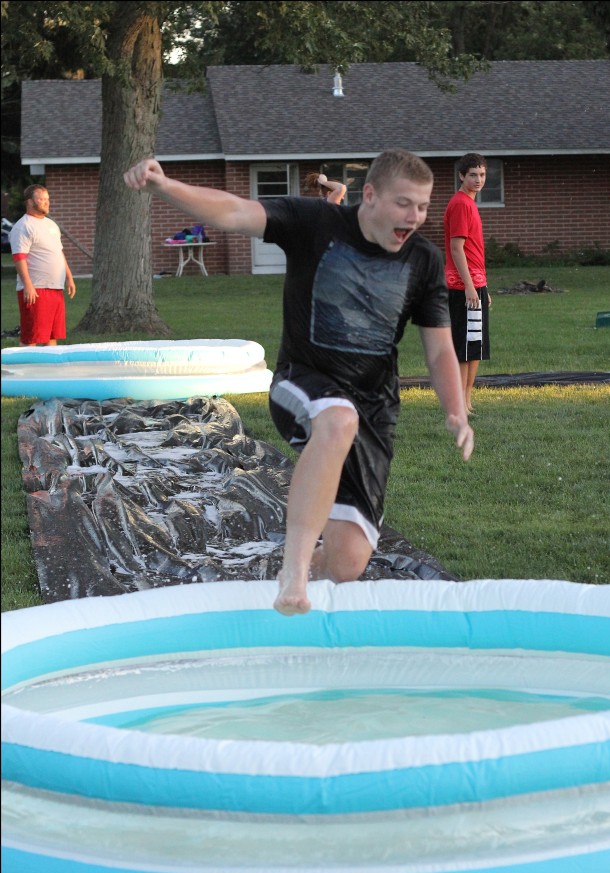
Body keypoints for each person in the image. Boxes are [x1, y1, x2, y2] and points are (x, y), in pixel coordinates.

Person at [124, 149, 474, 616]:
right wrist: (166, 186)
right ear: (370, 194)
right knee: (337, 419)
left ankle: (302, 575)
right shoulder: (315, 223)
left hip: (374, 409)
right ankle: (295, 568)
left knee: (348, 563)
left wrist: (455, 410)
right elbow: (234, 211)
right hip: (303, 381)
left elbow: (440, 349)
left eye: (424, 207)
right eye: (404, 204)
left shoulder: (422, 261)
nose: (414, 217)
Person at [443, 153, 491, 414]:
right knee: (464, 348)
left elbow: (475, 251)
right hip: (463, 287)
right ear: (461, 176)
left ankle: (467, 401)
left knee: (475, 346)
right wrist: (470, 287)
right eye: (473, 175)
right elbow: (456, 248)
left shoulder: (470, 203)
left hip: (475, 285)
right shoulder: (461, 204)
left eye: (482, 175)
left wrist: (484, 286)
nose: (478, 180)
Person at [9, 184, 76, 346]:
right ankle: (25, 363)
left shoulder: (51, 225)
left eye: (47, 199)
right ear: (30, 202)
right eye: (41, 199)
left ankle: (50, 364)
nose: (46, 202)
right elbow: (19, 257)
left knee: (51, 336)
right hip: (36, 289)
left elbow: (58, 252)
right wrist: (28, 285)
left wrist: (69, 277)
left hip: (55, 288)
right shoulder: (23, 226)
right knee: (31, 337)